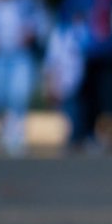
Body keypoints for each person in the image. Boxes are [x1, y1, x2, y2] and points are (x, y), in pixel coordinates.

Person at [0, 0, 47, 157]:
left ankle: (16, 135)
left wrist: (31, 33)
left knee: (18, 94)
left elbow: (41, 21)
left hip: (21, 54)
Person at [61, 0, 112, 153]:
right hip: (82, 56)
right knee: (82, 97)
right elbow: (65, 23)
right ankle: (80, 134)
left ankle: (108, 135)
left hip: (110, 54)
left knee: (109, 98)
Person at [42, 16, 86, 152]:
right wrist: (51, 84)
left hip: (81, 80)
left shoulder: (82, 31)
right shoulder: (59, 33)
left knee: (79, 109)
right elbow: (52, 61)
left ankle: (79, 137)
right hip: (65, 82)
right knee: (69, 111)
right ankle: (73, 138)